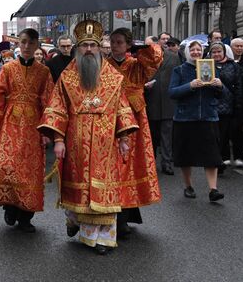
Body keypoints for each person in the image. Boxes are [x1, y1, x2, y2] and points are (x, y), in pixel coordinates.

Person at [38, 20, 138, 255]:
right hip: (77, 141)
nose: (90, 49)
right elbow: (57, 108)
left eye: (94, 45)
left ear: (100, 47)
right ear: (77, 49)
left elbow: (122, 107)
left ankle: (103, 238)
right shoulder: (67, 77)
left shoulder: (114, 77)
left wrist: (124, 138)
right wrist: (59, 141)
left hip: (106, 144)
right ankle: (80, 226)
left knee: (105, 189)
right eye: (85, 46)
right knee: (79, 189)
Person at [0, 28, 54, 233]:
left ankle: (26, 216)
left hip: (33, 127)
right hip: (10, 123)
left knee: (30, 171)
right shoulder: (7, 69)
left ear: (37, 45)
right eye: (23, 42)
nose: (27, 47)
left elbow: (49, 101)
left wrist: (48, 131)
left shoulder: (44, 72)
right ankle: (10, 206)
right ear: (18, 44)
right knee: (8, 166)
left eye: (31, 43)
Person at [108, 28, 162, 235]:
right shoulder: (105, 65)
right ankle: (114, 216)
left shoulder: (136, 65)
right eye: (112, 42)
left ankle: (127, 214)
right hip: (111, 119)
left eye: (120, 42)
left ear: (128, 45)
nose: (115, 46)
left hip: (135, 119)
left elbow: (155, 58)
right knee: (115, 167)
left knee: (131, 165)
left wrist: (141, 47)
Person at [169, 40, 225, 202]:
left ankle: (213, 190)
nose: (195, 52)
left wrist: (220, 85)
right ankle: (188, 186)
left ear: (202, 52)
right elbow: (172, 92)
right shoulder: (179, 70)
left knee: (212, 156)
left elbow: (222, 95)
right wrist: (190, 85)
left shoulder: (212, 67)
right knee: (186, 155)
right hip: (185, 118)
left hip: (208, 117)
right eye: (192, 50)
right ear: (187, 52)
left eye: (198, 49)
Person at [145, 34, 181, 176]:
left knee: (167, 135)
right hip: (150, 100)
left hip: (168, 101)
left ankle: (167, 163)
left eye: (151, 44)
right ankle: (150, 163)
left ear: (158, 44)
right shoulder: (143, 58)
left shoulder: (173, 57)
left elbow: (178, 76)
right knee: (152, 135)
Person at [208, 42, 243, 168]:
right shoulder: (205, 65)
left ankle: (224, 158)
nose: (216, 54)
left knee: (225, 133)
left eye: (219, 52)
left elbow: (239, 86)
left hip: (228, 105)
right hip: (211, 105)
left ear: (224, 52)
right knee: (214, 136)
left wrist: (238, 105)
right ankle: (218, 159)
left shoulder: (233, 66)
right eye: (214, 52)